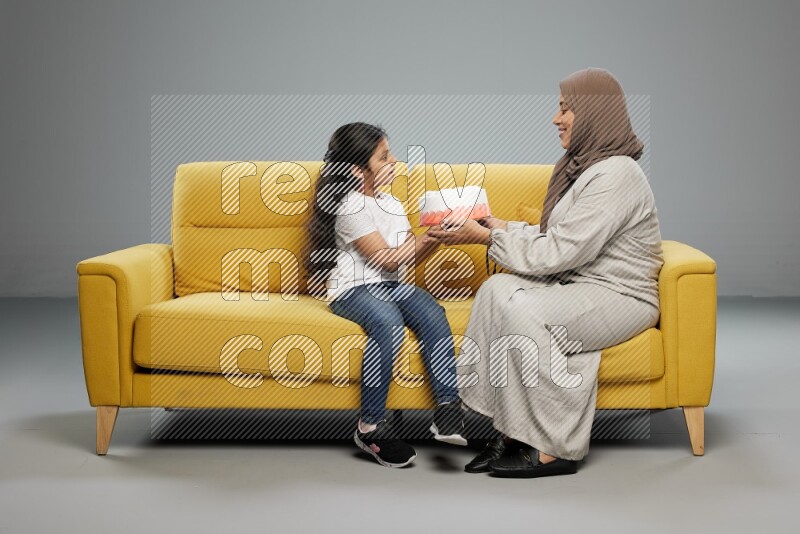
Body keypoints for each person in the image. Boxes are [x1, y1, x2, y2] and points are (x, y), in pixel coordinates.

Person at [428, 68, 664, 478]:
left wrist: (484, 241)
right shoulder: (583, 168)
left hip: (621, 296)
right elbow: (554, 235)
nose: (555, 119)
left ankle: (555, 446)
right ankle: (507, 428)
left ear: (593, 112)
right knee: (497, 289)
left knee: (525, 311)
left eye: (565, 108)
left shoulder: (618, 174)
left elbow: (559, 252)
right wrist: (493, 225)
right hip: (580, 284)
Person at [306, 122, 467, 468]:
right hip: (353, 290)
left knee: (431, 312)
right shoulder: (350, 207)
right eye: (384, 157)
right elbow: (384, 257)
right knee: (387, 320)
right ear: (356, 169)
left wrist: (436, 237)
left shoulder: (391, 202)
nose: (394, 161)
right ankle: (371, 427)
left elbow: (408, 256)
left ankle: (448, 408)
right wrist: (424, 239)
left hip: (392, 285)